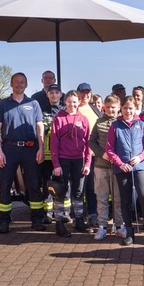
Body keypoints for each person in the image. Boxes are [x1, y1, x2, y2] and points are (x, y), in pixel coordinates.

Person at [0, 72, 45, 234]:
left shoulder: (34, 103)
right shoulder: (2, 104)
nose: (19, 84)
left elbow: (40, 126)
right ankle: (4, 221)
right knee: (6, 184)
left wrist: (41, 148)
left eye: (22, 82)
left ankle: (37, 219)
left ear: (26, 85)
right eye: (16, 82)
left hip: (30, 148)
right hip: (9, 148)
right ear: (11, 84)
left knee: (34, 184)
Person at [106, 96, 144, 247]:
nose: (128, 111)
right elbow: (109, 149)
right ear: (121, 109)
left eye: (131, 108)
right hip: (121, 168)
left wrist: (140, 158)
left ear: (135, 109)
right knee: (125, 201)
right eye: (125, 108)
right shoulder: (115, 126)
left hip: (139, 167)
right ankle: (129, 234)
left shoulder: (141, 124)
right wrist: (120, 163)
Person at [49, 90, 92, 237]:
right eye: (69, 102)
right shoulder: (58, 119)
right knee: (60, 192)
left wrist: (87, 163)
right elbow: (53, 143)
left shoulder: (84, 119)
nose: (72, 104)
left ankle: (79, 220)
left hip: (78, 160)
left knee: (79, 192)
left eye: (75, 102)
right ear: (65, 102)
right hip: (63, 159)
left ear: (78, 102)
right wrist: (56, 164)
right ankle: (59, 223)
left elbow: (88, 143)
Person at [89, 95, 126, 240]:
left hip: (118, 167)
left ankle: (119, 226)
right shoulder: (99, 122)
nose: (111, 110)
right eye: (108, 107)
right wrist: (101, 153)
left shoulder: (122, 122)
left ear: (118, 108)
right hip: (101, 166)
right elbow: (91, 141)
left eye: (114, 107)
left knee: (118, 198)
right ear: (105, 107)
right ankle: (102, 226)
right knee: (102, 198)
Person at [39, 83, 68, 224]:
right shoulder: (42, 111)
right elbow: (39, 129)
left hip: (63, 155)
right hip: (47, 155)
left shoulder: (65, 110)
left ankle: (64, 212)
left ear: (61, 94)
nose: (54, 95)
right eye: (51, 92)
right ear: (47, 94)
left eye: (57, 92)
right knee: (47, 184)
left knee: (63, 184)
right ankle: (48, 213)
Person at [77, 82, 100, 232]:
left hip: (93, 155)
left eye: (88, 92)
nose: (85, 95)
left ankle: (92, 214)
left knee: (92, 187)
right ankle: (79, 216)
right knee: (79, 188)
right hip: (78, 156)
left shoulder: (95, 110)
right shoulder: (75, 108)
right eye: (83, 92)